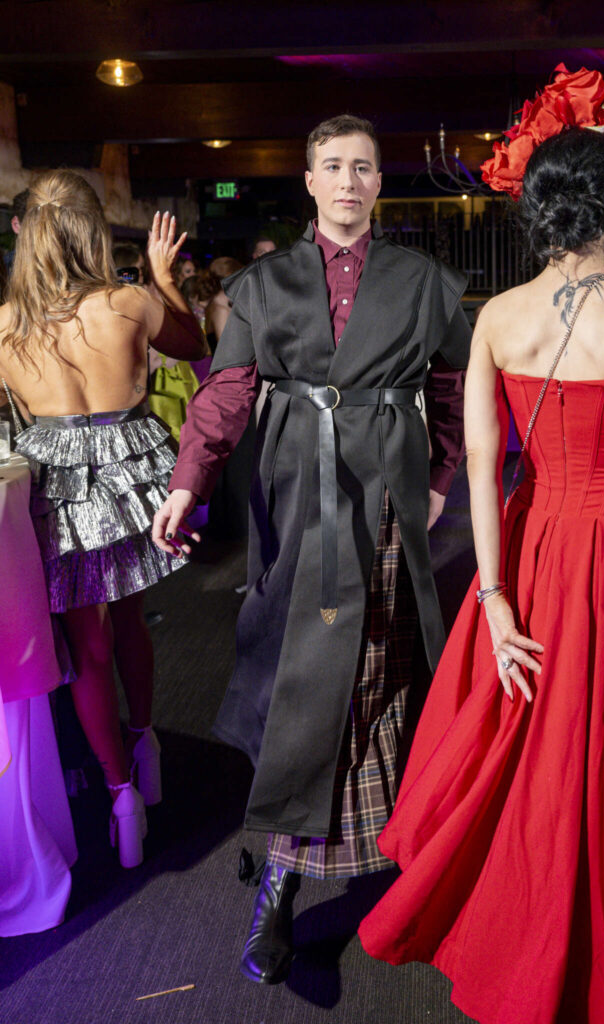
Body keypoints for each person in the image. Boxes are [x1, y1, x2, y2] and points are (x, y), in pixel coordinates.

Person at [359, 67, 604, 1024]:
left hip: (536, 547)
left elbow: (482, 469)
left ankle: (528, 937)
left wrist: (494, 600)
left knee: (533, 754)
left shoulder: (495, 318)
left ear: (537, 218)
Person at [153, 113, 471, 984]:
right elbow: (226, 390)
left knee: (377, 677)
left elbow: (452, 387)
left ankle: (387, 863)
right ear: (308, 180)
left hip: (388, 496)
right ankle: (284, 880)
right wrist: (188, 480)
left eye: (362, 167)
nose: (347, 181)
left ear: (380, 182)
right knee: (300, 682)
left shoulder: (422, 282)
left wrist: (440, 475)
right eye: (332, 166)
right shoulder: (263, 284)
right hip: (296, 496)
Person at [0, 170, 207, 868]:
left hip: (55, 481)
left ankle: (120, 797)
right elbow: (193, 346)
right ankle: (146, 744)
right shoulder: (130, 301)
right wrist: (163, 278)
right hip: (129, 470)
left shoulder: (6, 324)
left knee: (85, 645)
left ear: (27, 237)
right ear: (93, 232)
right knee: (130, 620)